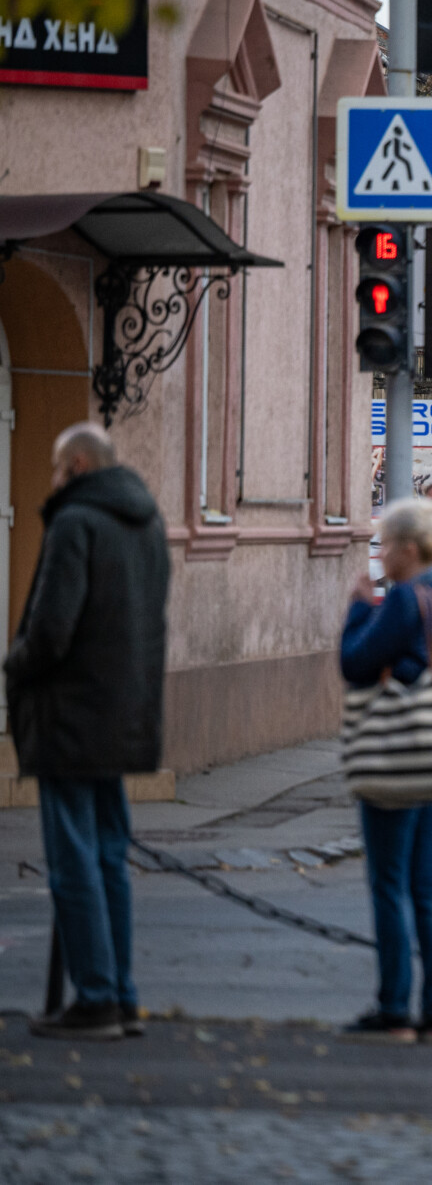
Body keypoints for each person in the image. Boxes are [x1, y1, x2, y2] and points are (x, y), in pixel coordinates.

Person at [5, 424, 168, 1041]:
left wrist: (14, 663)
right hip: (121, 714)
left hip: (69, 717)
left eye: (55, 468)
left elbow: (50, 631)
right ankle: (119, 994)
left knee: (73, 861)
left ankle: (95, 996)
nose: (51, 480)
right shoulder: (146, 524)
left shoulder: (75, 523)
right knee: (108, 857)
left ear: (76, 465)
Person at [338, 498, 432, 1043]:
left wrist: (358, 610)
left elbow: (355, 661)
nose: (381, 553)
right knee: (425, 884)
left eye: (385, 543)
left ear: (409, 549)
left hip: (394, 756)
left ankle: (394, 1007)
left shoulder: (404, 599)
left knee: (389, 883)